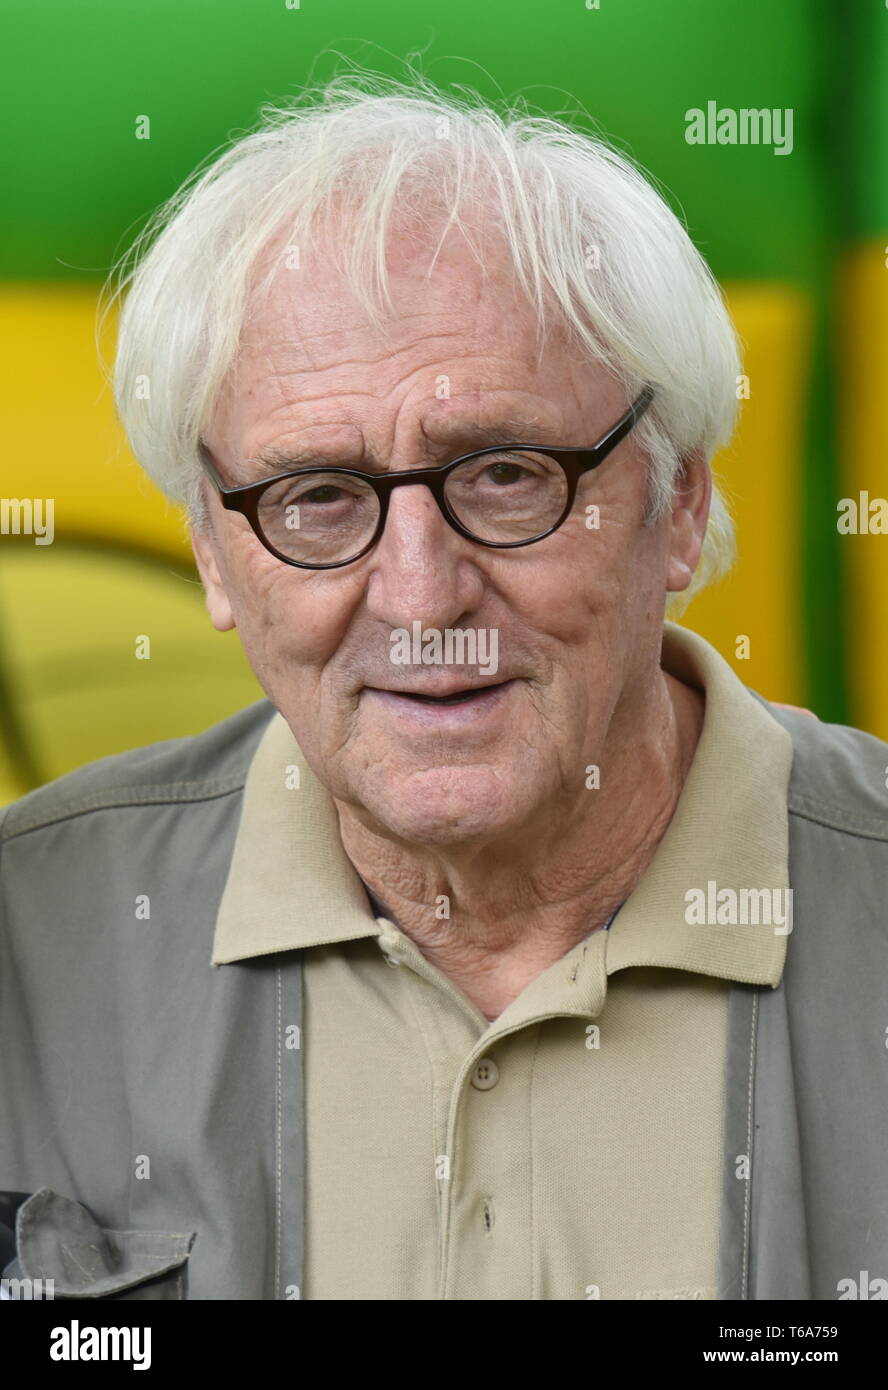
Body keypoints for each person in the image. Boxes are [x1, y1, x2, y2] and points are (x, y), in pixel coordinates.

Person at [1, 71, 886, 1302]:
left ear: (678, 500)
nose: (420, 599)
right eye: (316, 497)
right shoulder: (24, 942)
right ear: (213, 548)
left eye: (507, 477)